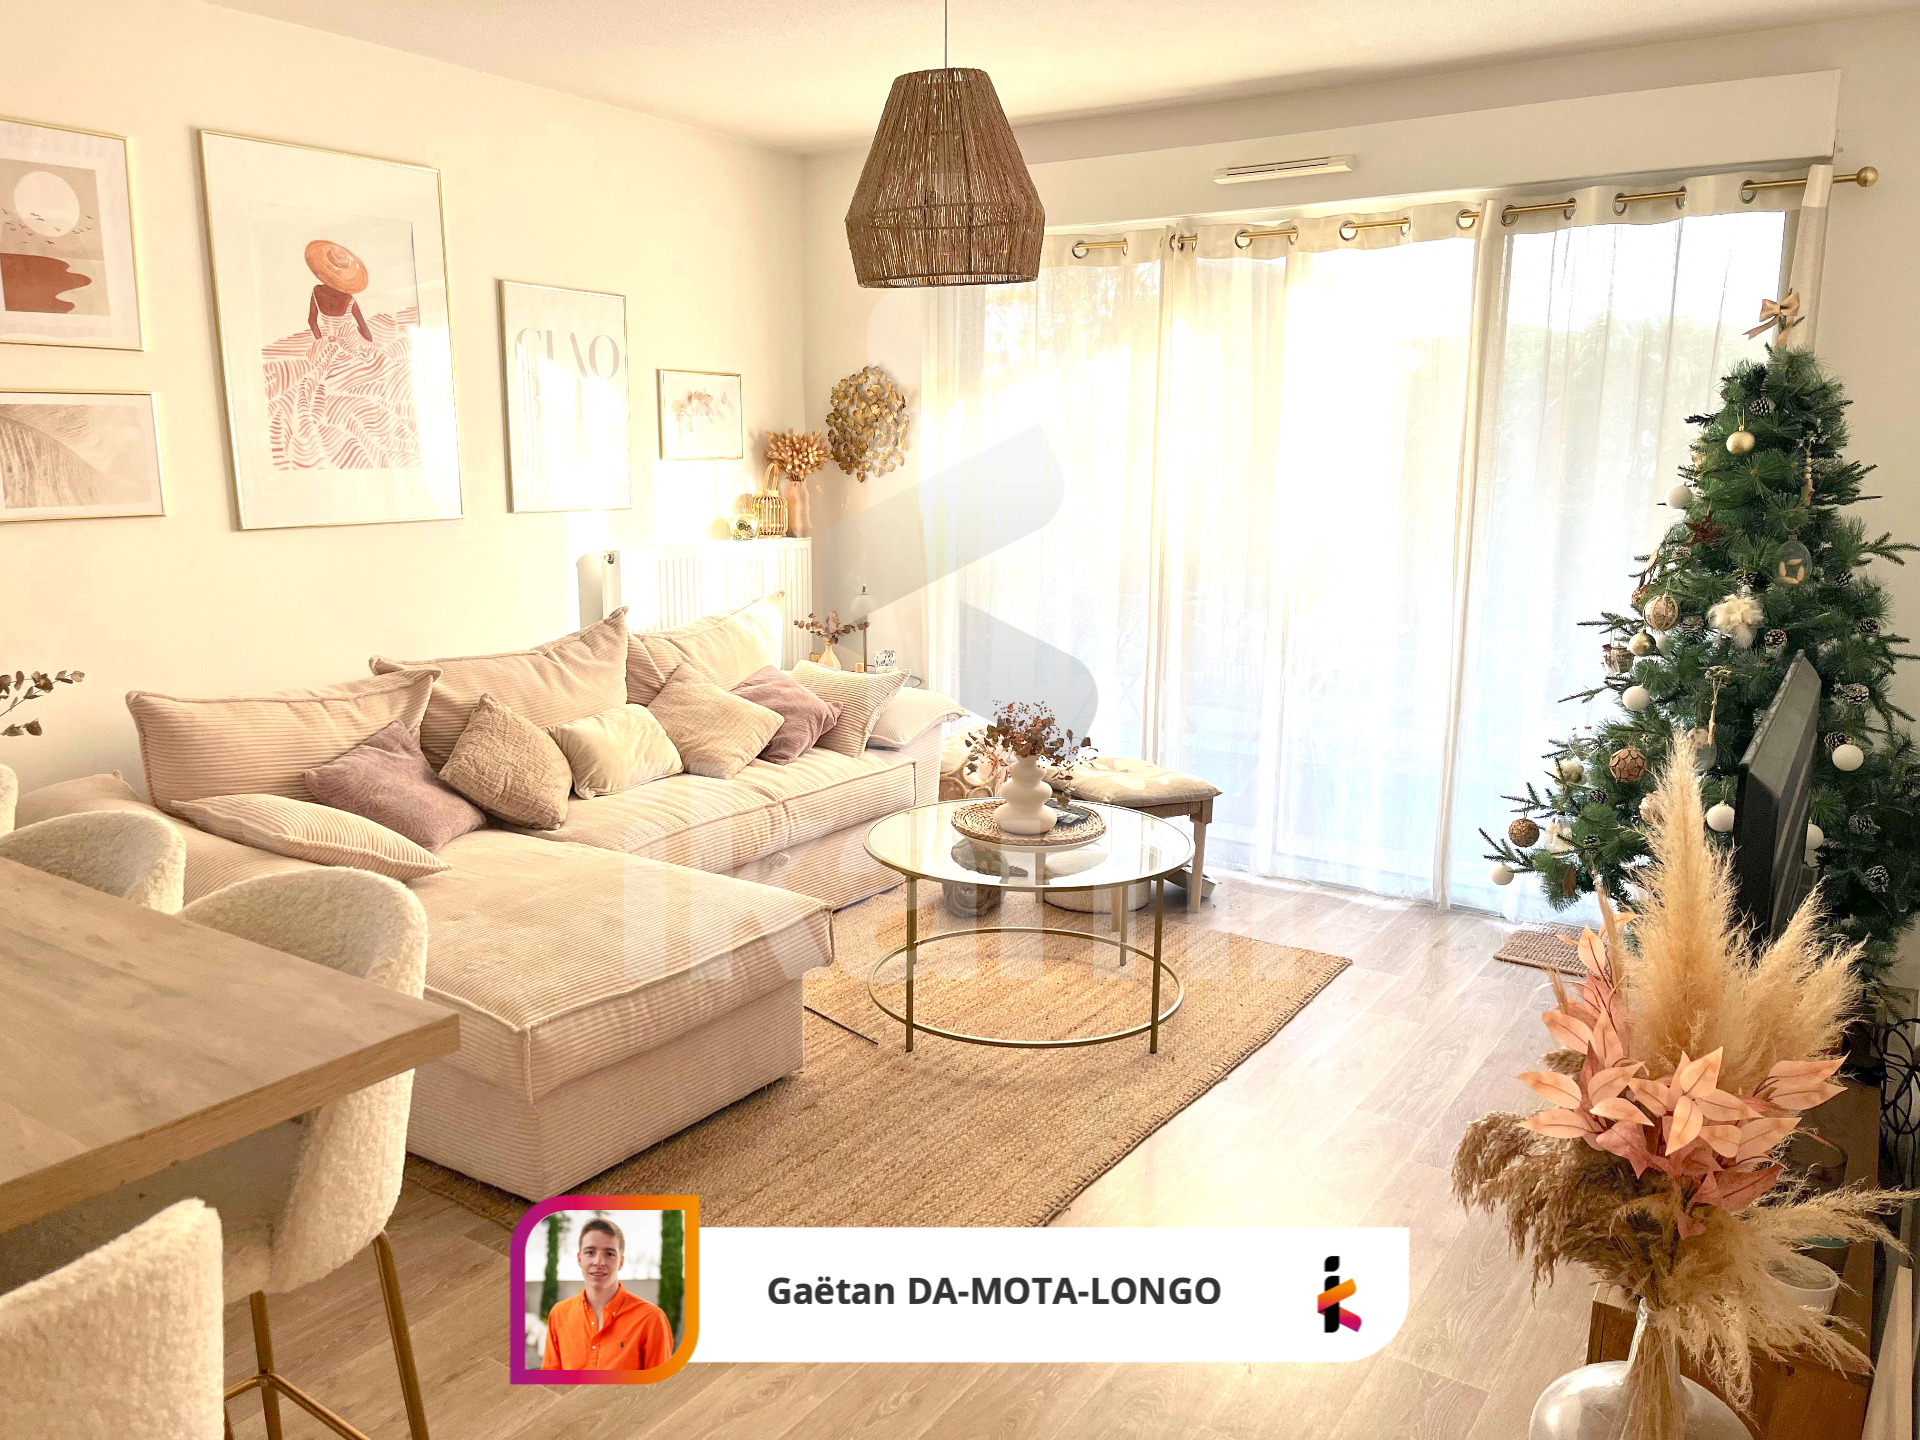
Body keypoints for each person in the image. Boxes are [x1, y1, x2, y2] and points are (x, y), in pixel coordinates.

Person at [540, 1218, 674, 1371]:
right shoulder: (559, 1313)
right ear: (579, 1259)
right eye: (590, 1252)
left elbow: (660, 1385)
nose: (599, 1262)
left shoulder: (651, 1318)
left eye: (609, 1254)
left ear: (621, 1262)